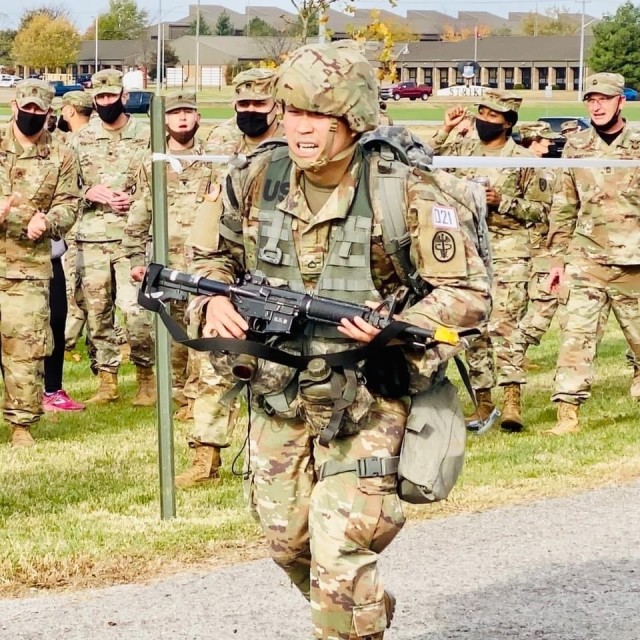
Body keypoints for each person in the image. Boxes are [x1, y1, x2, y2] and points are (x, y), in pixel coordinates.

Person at [190, 41, 490, 639]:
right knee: (287, 543)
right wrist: (214, 299)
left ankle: (351, 616)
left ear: (352, 119)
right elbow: (207, 261)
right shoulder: (253, 177)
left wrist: (396, 328)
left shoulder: (404, 191)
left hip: (369, 397)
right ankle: (362, 611)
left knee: (340, 551)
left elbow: (468, 294)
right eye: (292, 112)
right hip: (277, 392)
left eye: (319, 116)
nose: (301, 129)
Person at [124, 90, 233, 487]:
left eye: (188, 112)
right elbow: (139, 212)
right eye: (175, 113)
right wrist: (136, 257)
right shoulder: (152, 163)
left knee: (200, 340)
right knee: (171, 338)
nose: (182, 119)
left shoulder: (214, 161)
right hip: (169, 267)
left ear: (198, 117)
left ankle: (193, 402)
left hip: (206, 268)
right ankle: (175, 398)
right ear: (164, 121)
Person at [430, 91, 551, 432]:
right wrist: (445, 129)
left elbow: (541, 210)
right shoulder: (464, 151)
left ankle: (512, 398)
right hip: (468, 250)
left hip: (509, 250)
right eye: (480, 112)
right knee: (474, 329)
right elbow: (422, 162)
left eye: (492, 115)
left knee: (505, 327)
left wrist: (504, 202)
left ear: (508, 123)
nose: (484, 119)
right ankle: (483, 402)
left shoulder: (524, 159)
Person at [546, 72, 640, 435]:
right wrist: (557, 260)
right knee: (576, 336)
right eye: (591, 99)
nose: (596, 106)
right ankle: (567, 410)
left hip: (634, 262)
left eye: (604, 99)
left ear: (621, 102)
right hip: (586, 260)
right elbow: (563, 205)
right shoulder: (576, 147)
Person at [0, 79, 81, 445]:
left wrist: (47, 221)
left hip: (28, 268)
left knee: (26, 347)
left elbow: (70, 203)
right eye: (26, 107)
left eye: (39, 110)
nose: (31, 114)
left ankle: (21, 425)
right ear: (15, 105)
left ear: (49, 113)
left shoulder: (62, 154)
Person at [69, 69, 155, 406]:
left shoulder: (147, 135)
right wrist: (92, 192)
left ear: (124, 96)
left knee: (135, 311)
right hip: (91, 239)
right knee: (97, 312)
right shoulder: (79, 139)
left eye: (112, 96)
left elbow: (160, 181)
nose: (107, 102)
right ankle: (107, 382)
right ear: (94, 100)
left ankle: (147, 379)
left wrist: (136, 199)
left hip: (132, 239)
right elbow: (64, 188)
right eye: (100, 98)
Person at [205, 68, 282, 155]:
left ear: (278, 107)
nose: (250, 109)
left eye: (259, 104)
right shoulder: (222, 138)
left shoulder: (291, 142)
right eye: (243, 104)